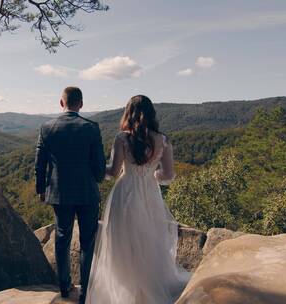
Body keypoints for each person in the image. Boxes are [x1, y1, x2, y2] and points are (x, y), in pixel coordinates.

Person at [86, 95, 190, 304]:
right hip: (150, 194)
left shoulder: (122, 138)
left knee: (122, 242)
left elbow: (113, 172)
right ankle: (150, 286)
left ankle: (125, 291)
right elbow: (168, 175)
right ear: (152, 114)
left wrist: (93, 166)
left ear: (128, 113)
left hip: (125, 193)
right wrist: (151, 176)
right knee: (150, 239)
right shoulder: (163, 140)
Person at [35, 87, 106, 304]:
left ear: (61, 103)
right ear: (81, 104)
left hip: (60, 193)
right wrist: (98, 179)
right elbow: (99, 165)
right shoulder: (91, 127)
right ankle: (85, 291)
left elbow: (40, 163)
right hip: (87, 191)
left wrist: (41, 189)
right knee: (87, 242)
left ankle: (65, 287)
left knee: (62, 238)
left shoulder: (47, 127)